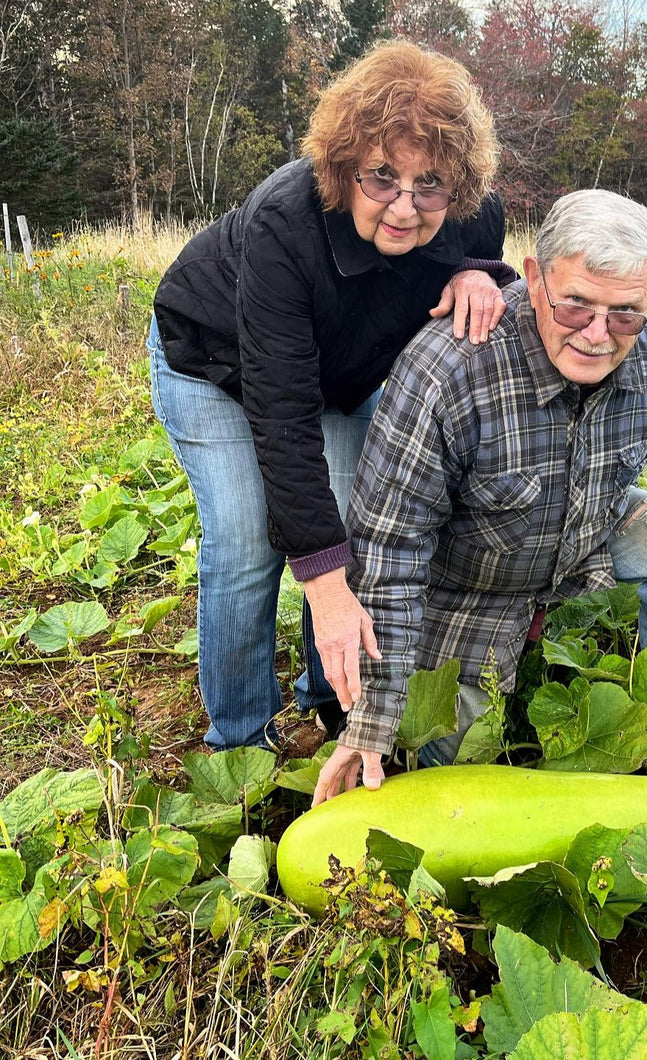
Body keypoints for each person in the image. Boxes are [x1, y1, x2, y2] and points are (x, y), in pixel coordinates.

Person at [312, 188, 647, 805]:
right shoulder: (448, 370)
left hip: (583, 530)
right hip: (465, 583)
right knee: (444, 762)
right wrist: (371, 721)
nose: (597, 334)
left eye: (624, 312)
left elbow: (619, 461)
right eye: (575, 306)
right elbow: (391, 549)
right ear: (535, 279)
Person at [148, 41, 516, 751]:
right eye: (382, 177)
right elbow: (281, 413)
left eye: (430, 184)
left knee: (361, 523)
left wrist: (477, 270)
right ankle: (241, 737)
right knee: (251, 535)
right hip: (216, 359)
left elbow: (484, 230)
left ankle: (333, 696)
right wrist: (320, 580)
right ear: (344, 167)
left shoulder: (467, 209)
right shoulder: (283, 223)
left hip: (335, 375)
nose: (406, 207)